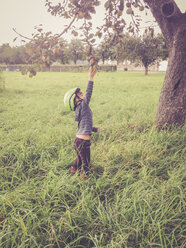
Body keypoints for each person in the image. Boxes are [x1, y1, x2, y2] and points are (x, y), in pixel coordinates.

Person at [64, 66, 100, 180]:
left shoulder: (80, 109)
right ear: (76, 100)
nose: (82, 92)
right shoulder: (83, 106)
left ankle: (73, 173)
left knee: (79, 160)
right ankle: (83, 181)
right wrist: (91, 78)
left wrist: (94, 129)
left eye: (80, 91)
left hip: (78, 140)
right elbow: (89, 92)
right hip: (83, 142)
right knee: (86, 163)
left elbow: (83, 125)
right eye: (79, 93)